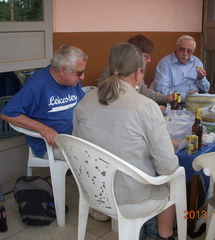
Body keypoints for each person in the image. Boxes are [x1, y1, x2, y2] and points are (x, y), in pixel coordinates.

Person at [73, 43, 179, 240]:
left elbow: (81, 147)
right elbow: (167, 166)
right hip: (129, 196)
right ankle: (165, 235)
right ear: (138, 73)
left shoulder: (84, 102)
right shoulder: (145, 106)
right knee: (174, 177)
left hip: (95, 191)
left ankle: (145, 232)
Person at [0, 45, 88, 159]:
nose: (83, 77)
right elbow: (8, 113)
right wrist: (43, 129)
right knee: (92, 158)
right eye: (79, 73)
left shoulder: (72, 82)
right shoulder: (38, 84)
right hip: (51, 145)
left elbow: (82, 106)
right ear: (62, 70)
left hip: (76, 138)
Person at [98, 34, 173, 108]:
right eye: (146, 57)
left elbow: (143, 91)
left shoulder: (137, 71)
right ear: (134, 54)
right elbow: (112, 101)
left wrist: (165, 98)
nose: (149, 60)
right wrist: (147, 108)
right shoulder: (112, 71)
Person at [154, 35, 210, 100]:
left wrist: (201, 78)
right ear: (176, 48)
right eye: (182, 49)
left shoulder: (196, 62)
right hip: (176, 101)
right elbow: (160, 89)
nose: (185, 53)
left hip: (197, 99)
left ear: (192, 52)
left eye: (189, 50)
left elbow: (206, 89)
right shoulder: (165, 63)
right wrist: (185, 96)